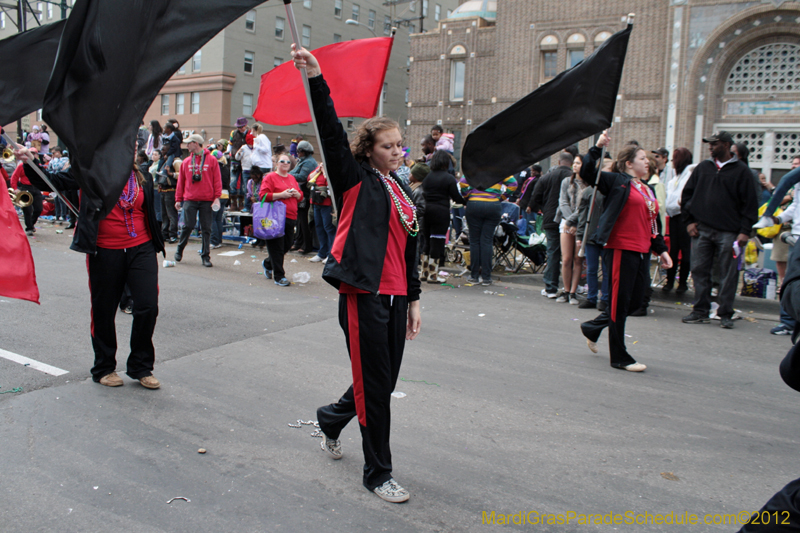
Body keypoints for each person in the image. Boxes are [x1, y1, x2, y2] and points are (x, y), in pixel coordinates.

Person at [293, 44, 421, 504]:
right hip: (362, 293)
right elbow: (328, 130)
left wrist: (415, 299)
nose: (397, 151)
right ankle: (378, 473)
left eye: (399, 145)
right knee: (377, 391)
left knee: (380, 384)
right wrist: (316, 78)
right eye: (388, 145)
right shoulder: (352, 177)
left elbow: (410, 244)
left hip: (396, 296)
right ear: (369, 150)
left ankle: (331, 418)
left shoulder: (401, 187)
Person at [14, 142, 164, 389]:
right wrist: (30, 161)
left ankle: (141, 366)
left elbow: (148, 211)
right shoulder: (89, 170)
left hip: (142, 247)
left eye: (134, 141)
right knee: (104, 310)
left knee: (147, 306)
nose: (131, 144)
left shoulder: (141, 174)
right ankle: (104, 367)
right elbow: (51, 181)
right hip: (105, 249)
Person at [579, 133, 672, 372]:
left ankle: (593, 327)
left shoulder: (647, 190)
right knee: (619, 303)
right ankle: (619, 357)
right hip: (620, 247)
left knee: (636, 302)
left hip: (642, 250)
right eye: (641, 158)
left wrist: (661, 250)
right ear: (629, 163)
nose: (647, 162)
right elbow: (588, 173)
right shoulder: (617, 181)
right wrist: (597, 148)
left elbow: (653, 224)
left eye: (647, 158)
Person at [680, 131, 759, 329]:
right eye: (709, 144)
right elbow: (687, 195)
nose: (710, 147)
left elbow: (750, 204)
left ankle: (724, 313)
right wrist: (689, 221)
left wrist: (744, 231)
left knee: (728, 274)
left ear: (725, 145)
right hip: (701, 230)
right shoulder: (703, 168)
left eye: (714, 144)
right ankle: (700, 310)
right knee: (699, 270)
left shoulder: (741, 171)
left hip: (730, 232)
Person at [527, 152, 574, 297]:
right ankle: (571, 287)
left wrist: (544, 208)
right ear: (571, 163)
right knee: (571, 254)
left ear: (559, 162)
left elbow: (536, 197)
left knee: (553, 252)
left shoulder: (547, 177)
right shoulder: (574, 178)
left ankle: (551, 287)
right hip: (570, 219)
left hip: (551, 218)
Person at [174, 134, 222, 268]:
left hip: (207, 200)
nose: (187, 145)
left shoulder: (212, 160)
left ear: (196, 143)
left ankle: (205, 256)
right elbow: (181, 182)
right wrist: (178, 199)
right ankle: (180, 248)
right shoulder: (186, 162)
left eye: (189, 143)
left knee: (206, 228)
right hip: (190, 199)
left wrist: (216, 197)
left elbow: (217, 180)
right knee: (187, 226)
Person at [258, 154, 302, 286]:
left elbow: (300, 196)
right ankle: (279, 276)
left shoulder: (292, 178)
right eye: (282, 161)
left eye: (288, 162)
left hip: (290, 216)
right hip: (274, 217)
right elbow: (263, 196)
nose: (285, 163)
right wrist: (281, 195)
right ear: (276, 163)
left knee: (287, 245)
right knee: (276, 247)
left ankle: (268, 263)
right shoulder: (270, 177)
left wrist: (297, 194)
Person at [422, 150, 464, 283]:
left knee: (427, 242)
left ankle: (424, 272)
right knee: (437, 241)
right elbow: (456, 197)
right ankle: (433, 275)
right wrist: (466, 201)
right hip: (441, 212)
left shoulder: (427, 177)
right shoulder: (449, 178)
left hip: (426, 210)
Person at [662, 147, 696, 295]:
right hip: (674, 217)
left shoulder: (689, 174)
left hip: (684, 216)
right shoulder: (675, 178)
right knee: (673, 250)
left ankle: (682, 283)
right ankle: (670, 281)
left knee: (686, 251)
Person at [559, 155, 587, 304]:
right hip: (566, 222)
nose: (575, 166)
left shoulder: (589, 185)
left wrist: (575, 223)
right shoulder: (566, 181)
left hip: (581, 224)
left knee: (578, 259)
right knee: (566, 259)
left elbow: (584, 207)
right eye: (574, 163)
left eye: (579, 163)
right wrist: (569, 221)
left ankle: (573, 292)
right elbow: (562, 202)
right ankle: (565, 289)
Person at [290, 140, 318, 255]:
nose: (297, 153)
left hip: (305, 195)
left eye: (299, 151)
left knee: (305, 221)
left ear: (304, 151)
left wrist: (288, 175)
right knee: (300, 221)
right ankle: (298, 242)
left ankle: (307, 245)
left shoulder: (309, 163)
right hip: (300, 193)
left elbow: (302, 176)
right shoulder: (302, 161)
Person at [10, 153, 43, 236]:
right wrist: (15, 189)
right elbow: (14, 177)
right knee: (27, 210)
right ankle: (29, 228)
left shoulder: (38, 165)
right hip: (25, 188)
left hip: (36, 187)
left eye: (34, 154)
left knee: (39, 208)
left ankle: (31, 224)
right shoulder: (21, 166)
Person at [309, 163, 337, 263]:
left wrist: (325, 172)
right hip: (316, 202)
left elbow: (330, 182)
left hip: (327, 204)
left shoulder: (331, 169)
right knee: (319, 227)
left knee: (328, 228)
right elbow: (309, 178)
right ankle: (322, 253)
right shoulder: (318, 169)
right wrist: (318, 170)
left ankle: (331, 254)